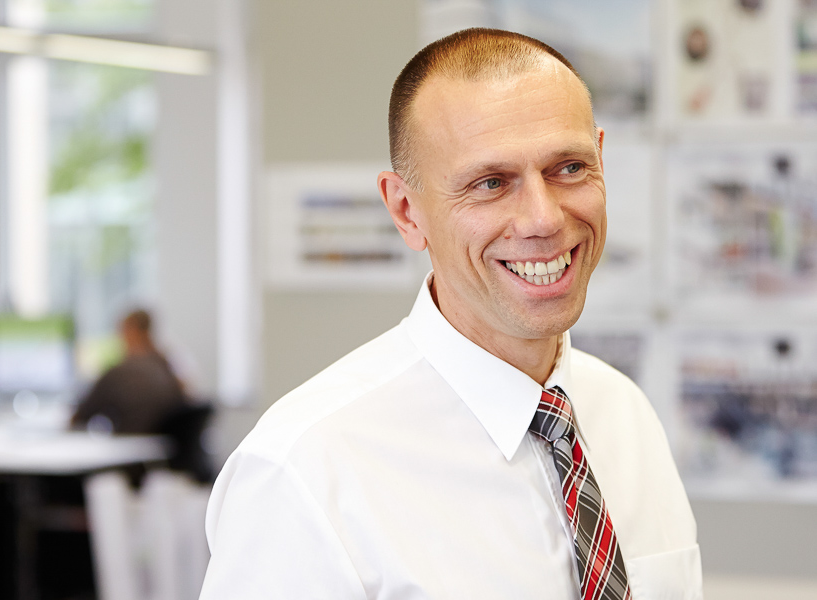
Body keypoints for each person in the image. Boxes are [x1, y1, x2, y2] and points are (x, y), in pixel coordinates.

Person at [200, 28, 702, 599]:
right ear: (406, 211)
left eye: (568, 168)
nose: (543, 218)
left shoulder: (626, 414)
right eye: (491, 183)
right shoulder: (304, 471)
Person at [71, 309, 187, 434]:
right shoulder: (167, 369)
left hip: (132, 442)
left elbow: (80, 417)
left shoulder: (119, 373)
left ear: (131, 332)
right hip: (166, 443)